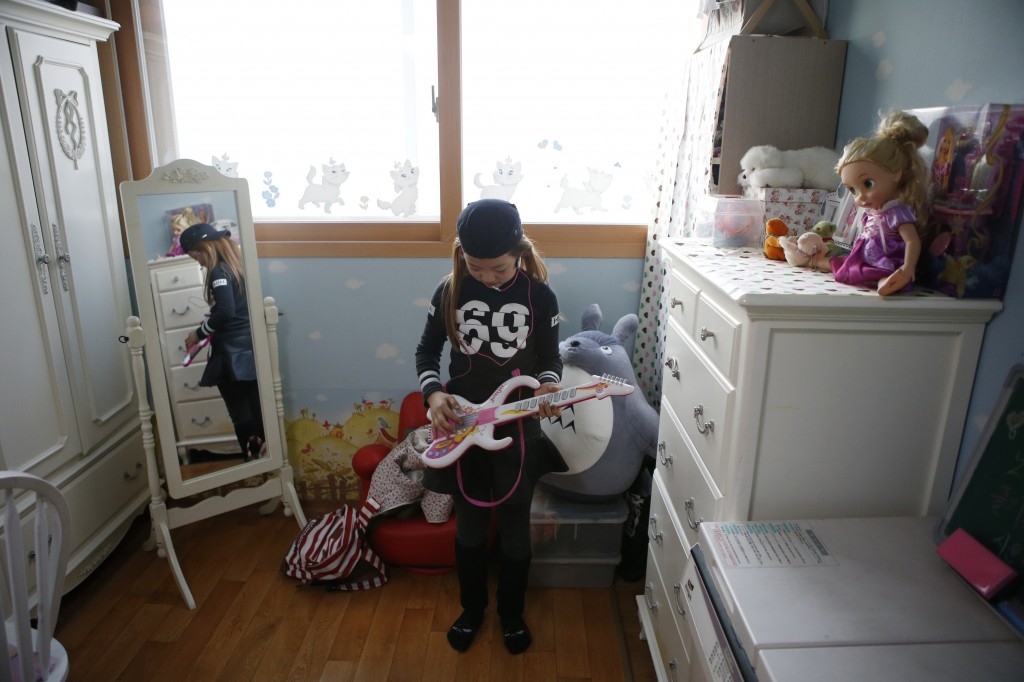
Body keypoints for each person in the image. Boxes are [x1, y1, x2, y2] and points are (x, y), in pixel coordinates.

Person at [415, 199, 567, 655]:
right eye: (475, 266)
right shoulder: (449, 289)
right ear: (461, 254)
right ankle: (472, 609)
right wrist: (434, 395)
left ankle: (512, 614)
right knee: (470, 531)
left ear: (518, 252)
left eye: (498, 268)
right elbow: (426, 353)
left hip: (518, 429)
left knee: (517, 531)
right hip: (463, 429)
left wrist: (547, 386)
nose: (487, 276)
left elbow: (550, 358)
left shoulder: (540, 295)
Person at [181, 222, 265, 461]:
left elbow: (226, 311)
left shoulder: (219, 271)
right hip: (248, 350)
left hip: (231, 354)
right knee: (257, 411)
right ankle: (265, 461)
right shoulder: (237, 267)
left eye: (195, 256)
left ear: (203, 249)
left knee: (241, 415)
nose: (198, 262)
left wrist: (198, 333)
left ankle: (253, 464)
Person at [831, 110, 930, 296]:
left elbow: (912, 240)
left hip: (887, 260)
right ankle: (811, 259)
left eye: (868, 184)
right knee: (845, 266)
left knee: (878, 272)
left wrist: (909, 267)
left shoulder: (897, 212)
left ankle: (889, 281)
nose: (859, 196)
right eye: (852, 190)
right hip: (866, 256)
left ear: (896, 173)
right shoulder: (874, 212)